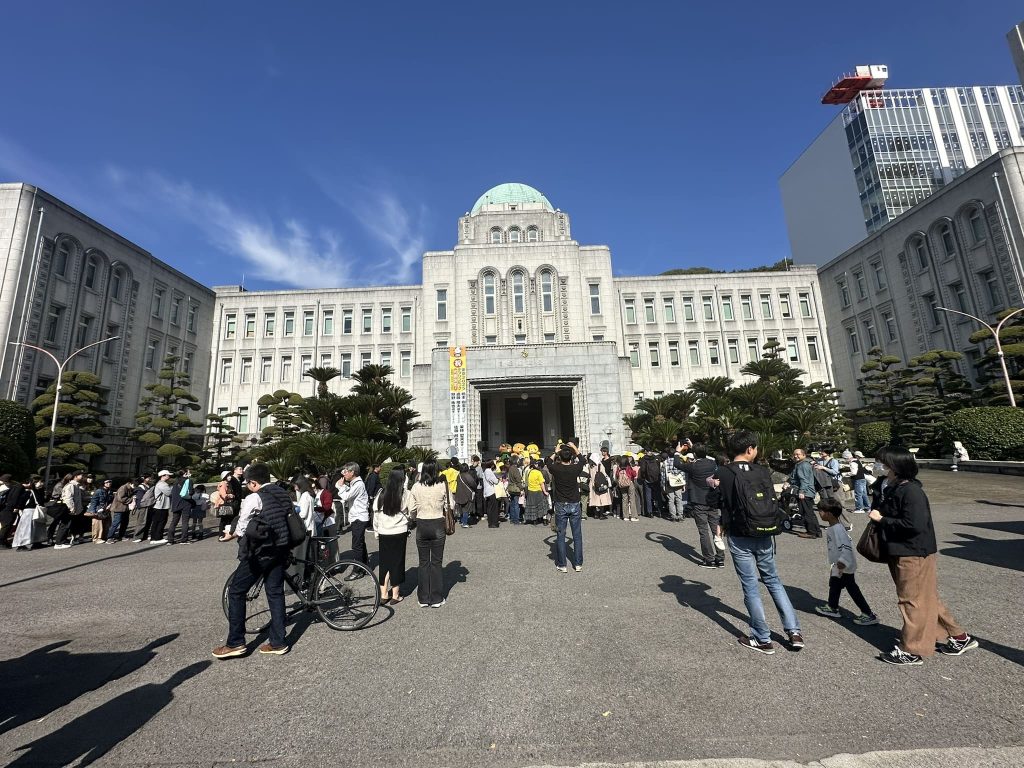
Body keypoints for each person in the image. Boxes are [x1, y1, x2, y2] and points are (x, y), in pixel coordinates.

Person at [868, 447, 978, 665]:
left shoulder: (910, 491)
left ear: (894, 465)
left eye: (883, 462)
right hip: (904, 550)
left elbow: (914, 524)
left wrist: (882, 520)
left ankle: (911, 649)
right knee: (925, 597)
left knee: (912, 600)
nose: (879, 466)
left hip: (912, 552)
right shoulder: (894, 486)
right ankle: (958, 637)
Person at [713, 430, 804, 654]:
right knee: (773, 580)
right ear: (749, 449)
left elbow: (717, 502)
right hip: (765, 531)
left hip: (739, 534)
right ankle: (794, 631)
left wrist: (720, 523)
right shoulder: (762, 470)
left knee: (750, 585)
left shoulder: (723, 472)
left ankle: (762, 638)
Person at [213, 463, 292, 658]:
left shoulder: (254, 498)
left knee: (236, 591)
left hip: (261, 551)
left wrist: (231, 534)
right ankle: (278, 642)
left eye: (248, 483)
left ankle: (235, 642)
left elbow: (242, 525)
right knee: (275, 593)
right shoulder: (282, 493)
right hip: (281, 547)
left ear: (253, 483)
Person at [813, 498, 877, 624]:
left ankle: (868, 614)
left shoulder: (837, 529)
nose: (819, 513)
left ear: (829, 514)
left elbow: (847, 547)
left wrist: (842, 562)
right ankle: (832, 607)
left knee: (852, 588)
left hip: (844, 565)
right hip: (839, 564)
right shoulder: (834, 527)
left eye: (820, 511)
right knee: (834, 584)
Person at [407, 460, 449, 607]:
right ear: (436, 470)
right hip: (437, 523)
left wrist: (415, 517)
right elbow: (450, 504)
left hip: (422, 524)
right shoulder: (442, 485)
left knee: (423, 562)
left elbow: (411, 508)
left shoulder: (416, 486)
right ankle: (436, 598)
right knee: (436, 562)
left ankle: (423, 598)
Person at [373, 467, 411, 605]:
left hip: (384, 531)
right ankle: (395, 594)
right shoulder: (405, 493)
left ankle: (383, 594)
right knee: (397, 562)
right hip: (399, 531)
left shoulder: (381, 493)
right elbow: (411, 511)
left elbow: (376, 513)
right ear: (403, 478)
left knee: (385, 562)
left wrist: (376, 531)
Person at [545, 442, 585, 573]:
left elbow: (547, 461)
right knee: (577, 535)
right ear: (571, 457)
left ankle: (562, 564)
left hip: (561, 503)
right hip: (574, 502)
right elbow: (583, 460)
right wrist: (574, 447)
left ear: (560, 457)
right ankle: (578, 564)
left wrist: (556, 451)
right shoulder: (575, 468)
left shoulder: (556, 468)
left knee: (560, 535)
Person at [683, 444, 722, 568]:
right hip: (712, 500)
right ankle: (720, 557)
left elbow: (677, 463)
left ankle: (709, 559)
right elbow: (705, 456)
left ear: (694, 454)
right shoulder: (712, 463)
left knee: (703, 531)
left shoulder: (693, 466)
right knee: (716, 529)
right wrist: (697, 449)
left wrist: (678, 451)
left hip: (699, 500)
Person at [337, 462, 369, 576]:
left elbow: (346, 496)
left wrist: (340, 486)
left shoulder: (358, 484)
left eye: (346, 471)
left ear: (352, 472)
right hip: (358, 517)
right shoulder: (355, 483)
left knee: (356, 545)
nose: (344, 474)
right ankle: (365, 566)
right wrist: (343, 486)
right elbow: (350, 493)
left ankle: (358, 570)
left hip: (359, 518)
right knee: (360, 543)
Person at [787, 448, 821, 539]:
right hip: (808, 491)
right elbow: (794, 477)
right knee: (810, 512)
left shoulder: (803, 465)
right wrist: (788, 482)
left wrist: (802, 492)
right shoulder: (801, 464)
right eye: (794, 454)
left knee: (806, 513)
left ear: (803, 455)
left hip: (805, 492)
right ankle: (817, 531)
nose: (795, 456)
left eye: (798, 454)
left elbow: (804, 480)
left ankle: (811, 532)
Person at [12, 476, 45, 550]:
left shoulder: (40, 491)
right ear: (35, 483)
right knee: (26, 528)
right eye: (40, 482)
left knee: (37, 528)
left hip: (36, 511)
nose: (42, 483)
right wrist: (17, 508)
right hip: (29, 511)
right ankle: (21, 545)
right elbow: (21, 501)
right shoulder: (29, 491)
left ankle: (37, 542)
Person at [53, 471, 84, 549]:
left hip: (71, 509)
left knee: (67, 525)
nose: (82, 476)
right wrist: (71, 508)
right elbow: (68, 498)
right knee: (64, 525)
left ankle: (63, 541)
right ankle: (58, 543)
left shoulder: (76, 485)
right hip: (67, 509)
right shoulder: (71, 486)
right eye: (80, 475)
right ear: (75, 476)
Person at [167, 469, 195, 545]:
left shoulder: (175, 482)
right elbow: (191, 492)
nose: (190, 473)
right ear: (185, 474)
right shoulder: (188, 481)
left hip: (176, 503)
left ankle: (170, 540)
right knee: (185, 522)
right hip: (185, 503)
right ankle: (184, 539)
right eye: (189, 472)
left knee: (174, 522)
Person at [148, 470, 174, 545]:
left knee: (156, 522)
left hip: (159, 506)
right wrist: (172, 487)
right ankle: (157, 538)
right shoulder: (163, 484)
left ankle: (155, 537)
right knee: (160, 522)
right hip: (161, 506)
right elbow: (169, 493)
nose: (169, 476)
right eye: (167, 475)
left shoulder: (159, 483)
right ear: (163, 475)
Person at [85, 478, 113, 543]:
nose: (109, 483)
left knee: (107, 524)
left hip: (106, 510)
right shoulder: (98, 491)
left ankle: (104, 537)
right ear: (103, 483)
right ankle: (96, 539)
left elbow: (111, 500)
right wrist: (93, 512)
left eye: (110, 482)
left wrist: (110, 505)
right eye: (107, 482)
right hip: (98, 509)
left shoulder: (110, 491)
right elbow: (94, 501)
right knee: (97, 525)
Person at [663, 449, 687, 522]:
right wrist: (684, 483)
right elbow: (682, 473)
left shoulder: (665, 462)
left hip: (669, 482)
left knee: (671, 499)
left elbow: (663, 475)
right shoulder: (679, 461)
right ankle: (680, 515)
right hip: (678, 482)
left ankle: (673, 516)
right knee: (679, 498)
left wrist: (663, 485)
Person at [522, 455, 547, 525]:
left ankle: (534, 520)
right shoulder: (538, 473)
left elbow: (526, 481)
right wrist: (545, 491)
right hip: (538, 491)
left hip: (530, 491)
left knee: (533, 506)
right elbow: (542, 483)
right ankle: (542, 519)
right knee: (541, 506)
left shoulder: (529, 472)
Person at [131, 475, 157, 542]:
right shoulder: (140, 487)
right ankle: (137, 536)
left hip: (149, 505)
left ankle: (145, 535)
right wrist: (140, 505)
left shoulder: (148, 486)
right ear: (144, 479)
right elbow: (139, 498)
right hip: (143, 506)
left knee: (148, 521)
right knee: (141, 521)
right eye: (148, 478)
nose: (149, 479)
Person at [614, 456, 639, 522]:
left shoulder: (619, 468)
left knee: (624, 499)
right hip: (629, 483)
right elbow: (634, 474)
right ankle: (633, 516)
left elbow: (617, 475)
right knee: (632, 499)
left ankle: (625, 516)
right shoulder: (628, 467)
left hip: (622, 485)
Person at [639, 450, 663, 518]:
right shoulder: (656, 458)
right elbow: (659, 468)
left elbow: (643, 470)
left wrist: (643, 477)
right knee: (658, 495)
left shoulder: (643, 459)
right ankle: (660, 511)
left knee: (648, 496)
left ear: (646, 451)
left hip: (647, 479)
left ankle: (650, 512)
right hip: (656, 479)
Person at [587, 453, 612, 520]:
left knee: (594, 499)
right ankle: (601, 515)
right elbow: (604, 474)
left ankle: (595, 514)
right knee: (602, 499)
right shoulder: (600, 465)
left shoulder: (590, 465)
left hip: (592, 483)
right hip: (600, 483)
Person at [454, 462, 476, 528]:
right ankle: (465, 523)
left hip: (459, 494)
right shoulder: (467, 475)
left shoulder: (459, 475)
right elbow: (473, 484)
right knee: (466, 509)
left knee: (461, 509)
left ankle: (462, 520)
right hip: (467, 494)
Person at [482, 460, 500, 528]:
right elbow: (495, 481)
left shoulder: (485, 471)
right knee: (494, 508)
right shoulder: (489, 471)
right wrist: (498, 479)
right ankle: (494, 523)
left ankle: (490, 522)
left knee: (489, 507)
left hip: (487, 492)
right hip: (492, 491)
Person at [505, 457, 523, 525]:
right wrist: (521, 489)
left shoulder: (510, 468)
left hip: (510, 488)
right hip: (515, 488)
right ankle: (516, 520)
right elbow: (518, 480)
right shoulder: (515, 469)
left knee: (512, 504)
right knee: (516, 504)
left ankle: (512, 519)